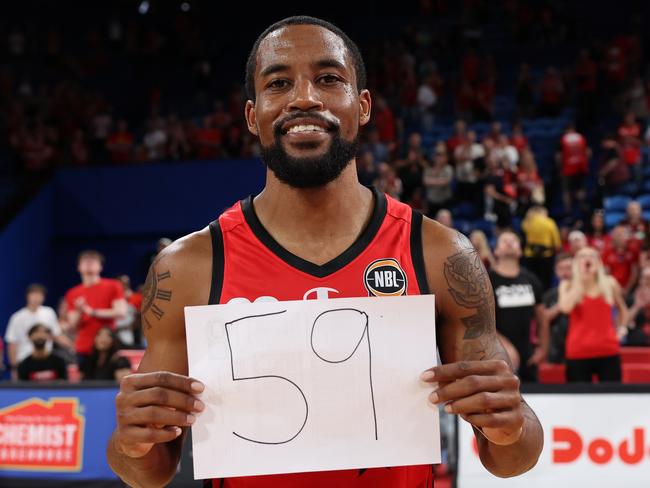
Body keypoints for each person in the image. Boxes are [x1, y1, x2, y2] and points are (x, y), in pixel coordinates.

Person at [107, 17, 543, 488]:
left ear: (363, 106)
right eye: (278, 83)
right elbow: (149, 470)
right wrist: (131, 441)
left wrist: (510, 423)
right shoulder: (188, 267)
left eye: (328, 78)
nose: (304, 97)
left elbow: (511, 459)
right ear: (253, 116)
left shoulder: (439, 254)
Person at [558, 247, 629, 382]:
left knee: (612, 399)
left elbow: (623, 309)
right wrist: (582, 281)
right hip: (578, 351)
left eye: (592, 256)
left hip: (608, 350)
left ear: (598, 261)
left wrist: (622, 329)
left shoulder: (610, 283)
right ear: (576, 262)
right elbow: (565, 308)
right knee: (578, 400)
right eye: (583, 256)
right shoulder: (567, 284)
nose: (587, 259)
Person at [489, 231, 548, 382]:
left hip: (528, 356)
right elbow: (481, 321)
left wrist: (543, 348)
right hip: (497, 354)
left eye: (513, 241)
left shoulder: (531, 279)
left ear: (520, 250)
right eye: (504, 241)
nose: (509, 243)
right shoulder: (487, 280)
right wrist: (503, 345)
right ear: (496, 250)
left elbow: (542, 317)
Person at [64, 250, 127, 370]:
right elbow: (73, 324)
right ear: (78, 267)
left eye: (93, 260)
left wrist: (92, 311)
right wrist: (80, 311)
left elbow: (121, 312)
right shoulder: (72, 293)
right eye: (85, 261)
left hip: (107, 347)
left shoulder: (113, 285)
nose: (88, 262)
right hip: (84, 348)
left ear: (100, 266)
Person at [4, 283, 74, 380]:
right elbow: (12, 344)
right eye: (34, 295)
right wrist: (14, 367)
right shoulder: (17, 318)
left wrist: (73, 346)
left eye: (40, 295)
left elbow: (57, 335)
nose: (37, 298)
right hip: (25, 361)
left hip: (47, 359)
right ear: (27, 296)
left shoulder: (49, 313)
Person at [541, 253, 573, 363]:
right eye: (561, 268)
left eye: (569, 268)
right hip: (555, 350)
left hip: (579, 348)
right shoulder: (548, 296)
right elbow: (543, 319)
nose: (565, 272)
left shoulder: (584, 293)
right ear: (556, 271)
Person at [521, 205, 561, 290]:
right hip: (546, 255)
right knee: (545, 281)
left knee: (531, 279)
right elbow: (556, 242)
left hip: (530, 255)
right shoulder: (549, 222)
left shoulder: (526, 222)